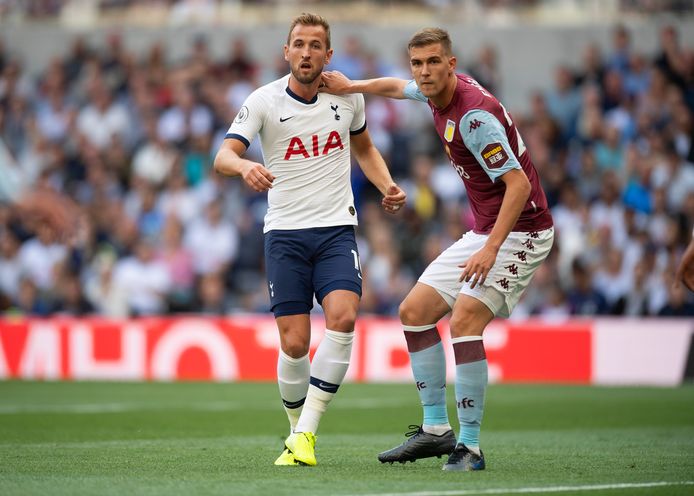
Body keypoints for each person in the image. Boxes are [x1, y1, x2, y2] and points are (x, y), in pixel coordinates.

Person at [321, 27, 554, 471]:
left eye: (432, 62)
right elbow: (393, 87)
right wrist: (351, 85)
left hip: (521, 231)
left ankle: (470, 446)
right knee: (414, 312)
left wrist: (491, 248)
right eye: (417, 64)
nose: (423, 72)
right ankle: (435, 431)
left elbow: (519, 185)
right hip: (486, 229)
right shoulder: (435, 92)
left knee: (465, 319)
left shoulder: (473, 117)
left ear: (452, 63)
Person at [213, 13, 406, 467]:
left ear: (328, 54)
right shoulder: (263, 101)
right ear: (286, 51)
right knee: (295, 344)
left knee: (343, 316)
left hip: (337, 229)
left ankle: (307, 433)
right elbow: (224, 154)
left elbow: (364, 148)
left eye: (315, 45)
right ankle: (295, 434)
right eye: (298, 44)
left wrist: (387, 186)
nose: (306, 52)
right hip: (284, 235)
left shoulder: (348, 98)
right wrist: (244, 167)